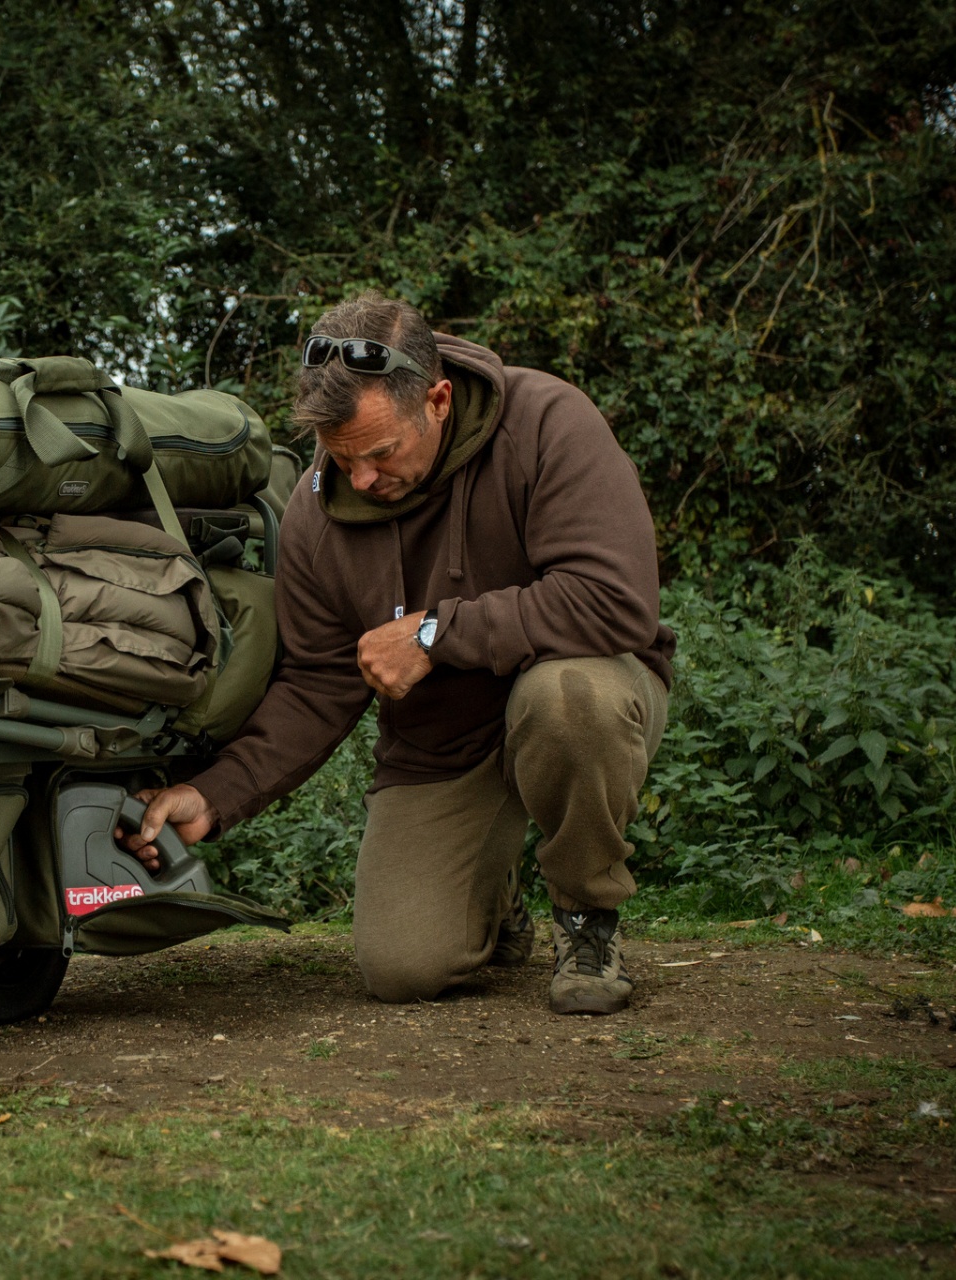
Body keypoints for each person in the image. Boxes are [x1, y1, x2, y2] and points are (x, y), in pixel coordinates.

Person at [126, 292, 674, 1015]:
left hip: (580, 691)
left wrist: (433, 633)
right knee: (401, 968)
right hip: (443, 746)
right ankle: (492, 898)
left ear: (439, 399)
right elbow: (319, 684)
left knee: (568, 699)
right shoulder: (317, 508)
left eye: (380, 453)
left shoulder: (547, 422)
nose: (360, 481)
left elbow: (614, 599)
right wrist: (217, 794)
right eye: (341, 457)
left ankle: (585, 916)